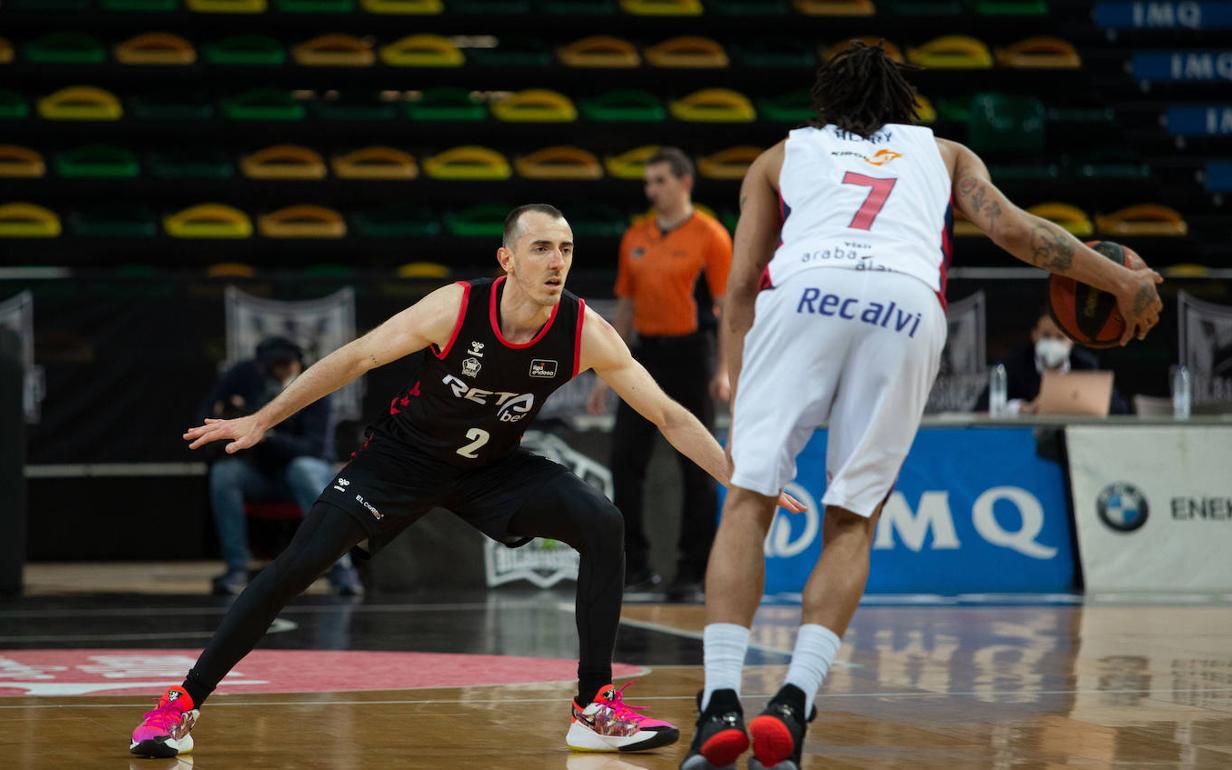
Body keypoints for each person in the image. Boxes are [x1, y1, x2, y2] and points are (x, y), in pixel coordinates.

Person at [127, 204, 802, 760]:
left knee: (602, 519)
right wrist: (264, 420)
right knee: (293, 569)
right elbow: (356, 357)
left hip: (492, 469)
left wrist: (745, 479)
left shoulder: (582, 330)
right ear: (507, 259)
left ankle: (593, 706)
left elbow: (667, 414)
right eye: (540, 247)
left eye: (564, 248)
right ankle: (178, 708)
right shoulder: (455, 308)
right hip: (400, 461)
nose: (556, 260)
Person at [682, 43, 1164, 770]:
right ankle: (793, 702)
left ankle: (720, 700)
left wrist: (732, 372)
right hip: (905, 305)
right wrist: (1120, 283)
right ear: (905, 102)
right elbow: (1016, 232)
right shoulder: (943, 154)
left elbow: (743, 284)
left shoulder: (780, 157)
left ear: (825, 102)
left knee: (749, 497)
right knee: (854, 518)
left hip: (804, 294)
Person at [586, 147, 734, 600]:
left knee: (699, 463)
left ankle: (693, 572)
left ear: (684, 182)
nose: (652, 190)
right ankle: (636, 569)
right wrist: (601, 373)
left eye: (660, 181)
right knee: (625, 461)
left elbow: (727, 308)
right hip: (641, 355)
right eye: (648, 182)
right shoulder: (636, 235)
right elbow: (625, 309)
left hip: (692, 355)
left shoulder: (710, 235)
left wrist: (725, 368)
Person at [202, 336, 362, 596]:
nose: (284, 369)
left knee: (303, 469)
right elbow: (209, 412)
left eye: (288, 363)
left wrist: (267, 434)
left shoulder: (315, 384)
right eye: (277, 364)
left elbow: (316, 448)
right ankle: (236, 567)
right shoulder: (245, 379)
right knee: (224, 474)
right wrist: (231, 421)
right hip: (263, 474)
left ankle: (340, 567)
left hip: (306, 475)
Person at [974, 308, 1130, 415]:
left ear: (1072, 340)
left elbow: (1120, 409)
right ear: (1034, 335)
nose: (1053, 343)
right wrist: (1021, 409)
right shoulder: (1013, 364)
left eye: (1060, 337)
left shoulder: (1086, 365)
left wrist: (1077, 406)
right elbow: (982, 408)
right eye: (1046, 336)